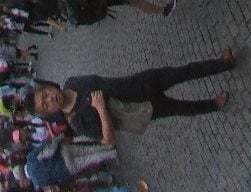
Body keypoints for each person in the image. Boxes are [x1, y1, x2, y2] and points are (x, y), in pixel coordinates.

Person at [31, 51, 238, 142]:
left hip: (139, 82)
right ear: (50, 113)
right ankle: (213, 105)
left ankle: (222, 64)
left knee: (182, 71)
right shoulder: (77, 122)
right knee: (181, 107)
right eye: (46, 104)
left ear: (48, 88)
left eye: (46, 94)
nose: (50, 99)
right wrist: (101, 109)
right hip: (141, 108)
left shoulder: (72, 82)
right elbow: (108, 140)